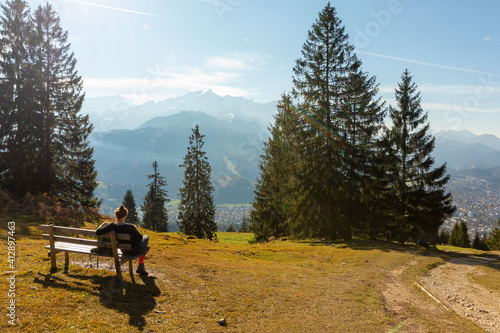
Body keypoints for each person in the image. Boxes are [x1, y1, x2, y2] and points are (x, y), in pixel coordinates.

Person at [96, 204, 150, 276]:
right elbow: (140, 238)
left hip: (124, 250)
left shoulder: (112, 226)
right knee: (145, 237)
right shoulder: (130, 227)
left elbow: (98, 232)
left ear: (116, 216)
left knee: (145, 247)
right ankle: (141, 266)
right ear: (125, 216)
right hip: (134, 250)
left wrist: (103, 224)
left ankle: (141, 266)